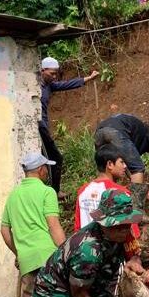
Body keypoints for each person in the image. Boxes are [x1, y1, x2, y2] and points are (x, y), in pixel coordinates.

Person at [0, 152, 67, 297]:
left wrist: (19, 253)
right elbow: (53, 226)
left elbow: (4, 231)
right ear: (41, 170)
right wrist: (66, 252)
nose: (48, 171)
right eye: (46, 167)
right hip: (49, 257)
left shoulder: (13, 196)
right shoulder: (47, 192)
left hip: (28, 261)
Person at [40, 56, 100, 197]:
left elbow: (66, 84)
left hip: (43, 128)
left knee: (48, 159)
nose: (54, 77)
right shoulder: (33, 86)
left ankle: (52, 190)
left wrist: (88, 78)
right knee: (55, 157)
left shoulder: (49, 86)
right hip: (38, 127)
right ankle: (54, 191)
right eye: (52, 73)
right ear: (42, 70)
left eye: (56, 73)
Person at [75, 145, 144, 267]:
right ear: (110, 164)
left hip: (86, 254)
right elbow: (130, 229)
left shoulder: (82, 191)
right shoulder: (119, 192)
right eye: (121, 162)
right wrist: (134, 256)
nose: (125, 166)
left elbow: (78, 226)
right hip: (113, 255)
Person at [94, 113, 149, 206]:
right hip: (115, 132)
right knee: (138, 167)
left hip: (99, 132)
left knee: (109, 169)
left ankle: (107, 203)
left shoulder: (135, 135)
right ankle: (136, 210)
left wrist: (143, 186)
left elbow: (129, 168)